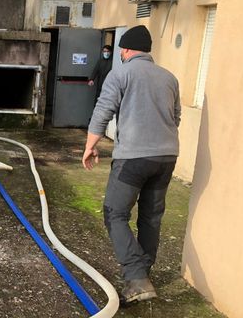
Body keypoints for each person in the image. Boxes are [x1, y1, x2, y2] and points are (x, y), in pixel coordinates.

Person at [81, 25, 181, 306]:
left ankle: (136, 279)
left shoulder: (121, 73)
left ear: (125, 50)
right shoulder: (169, 78)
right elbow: (176, 117)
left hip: (133, 159)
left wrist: (90, 146)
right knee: (151, 217)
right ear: (147, 51)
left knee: (115, 213)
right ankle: (142, 277)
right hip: (167, 157)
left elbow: (102, 112)